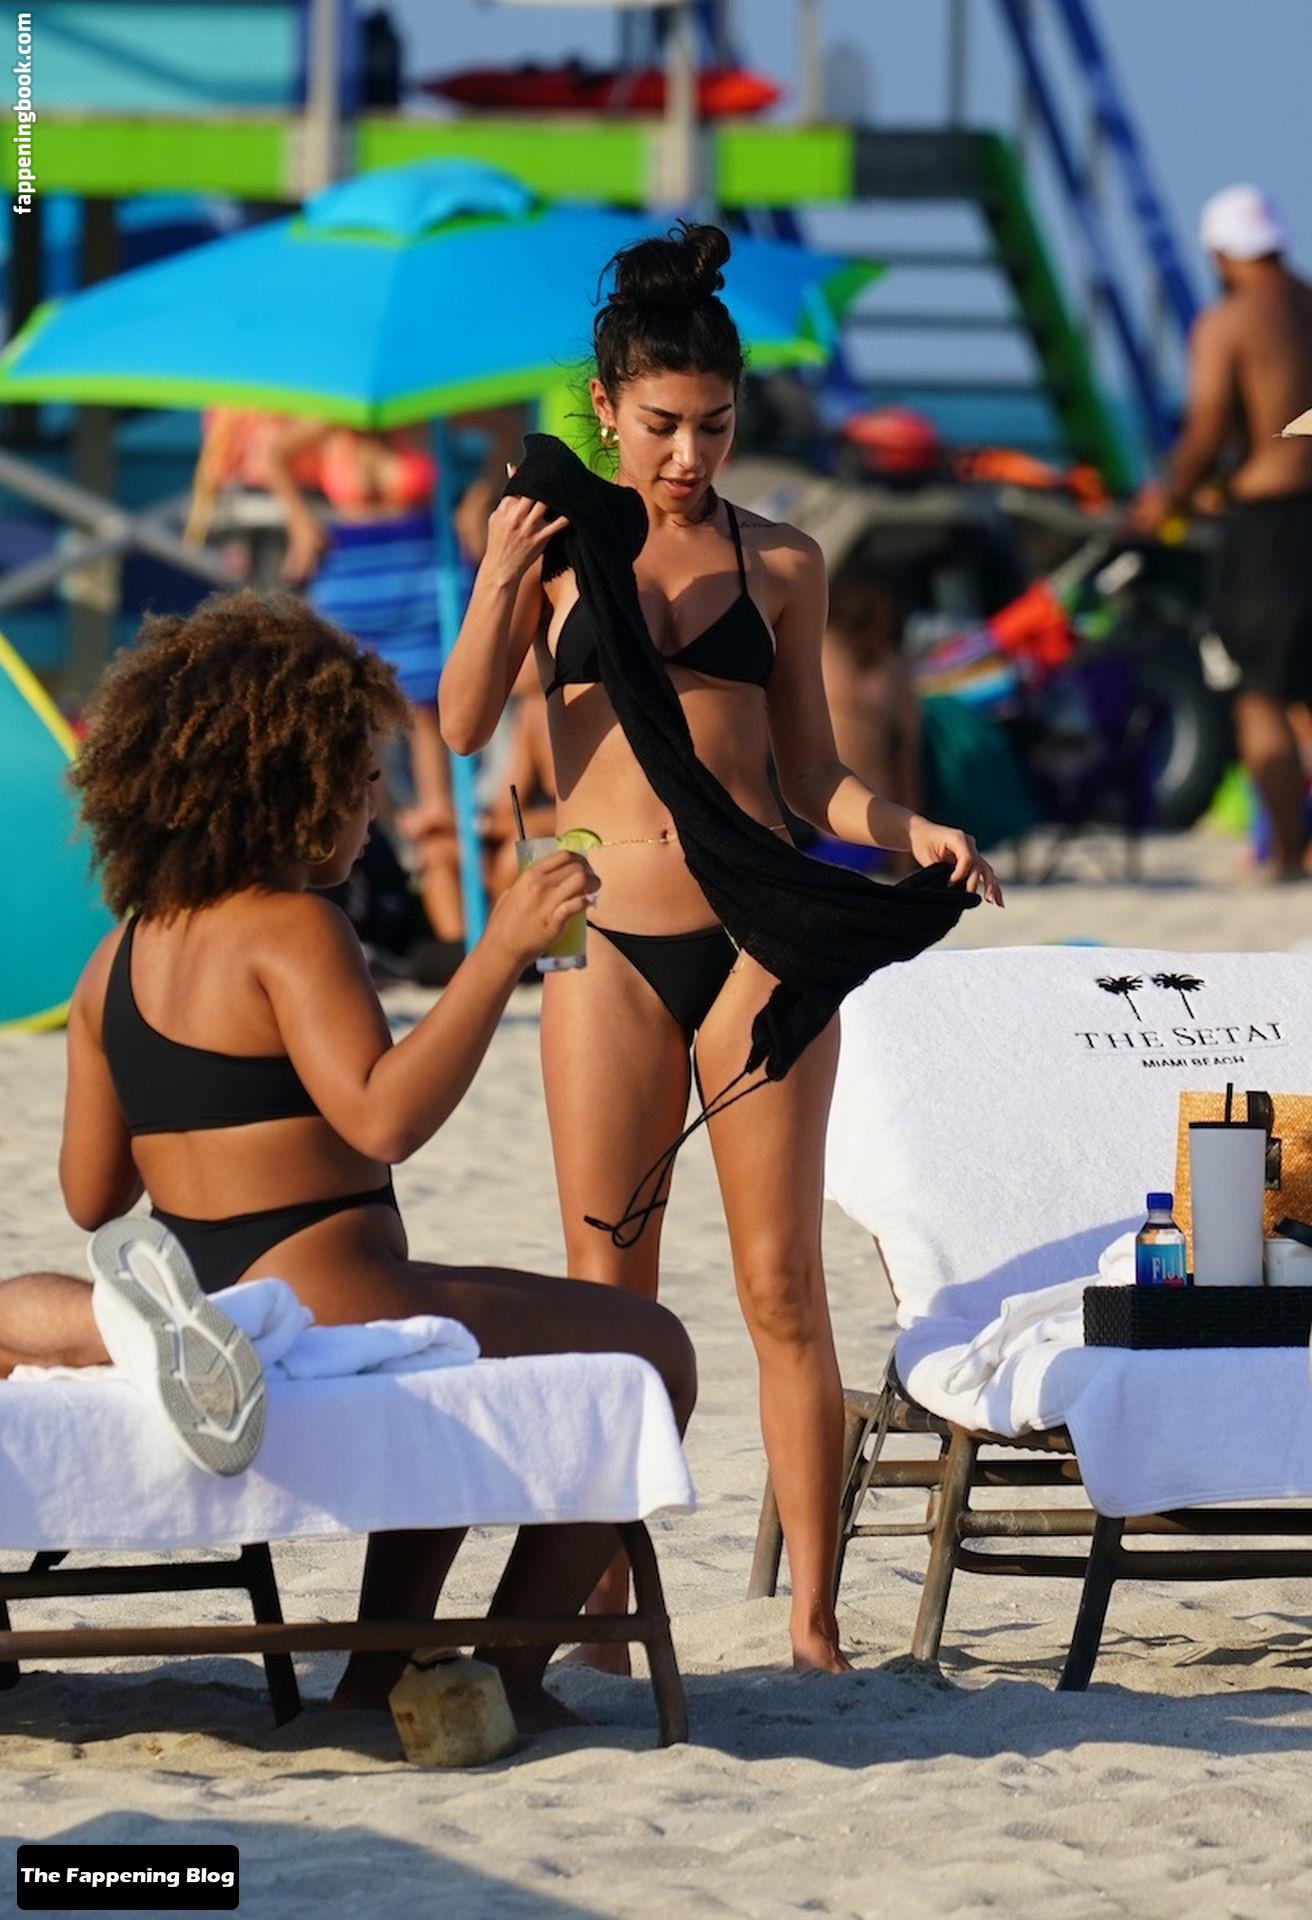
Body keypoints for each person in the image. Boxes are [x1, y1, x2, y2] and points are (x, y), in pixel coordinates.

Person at [440, 223, 1001, 1675]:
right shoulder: (555, 549)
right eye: (662, 424)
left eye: (716, 425)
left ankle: (813, 1625)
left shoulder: (781, 560)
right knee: (604, 1292)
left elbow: (811, 774)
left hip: (760, 934)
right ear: (605, 409)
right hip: (607, 945)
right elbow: (461, 723)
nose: (689, 454)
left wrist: (914, 829)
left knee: (779, 1285)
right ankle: (601, 1620)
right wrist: (501, 577)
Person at [0, 589, 695, 1728]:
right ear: (289, 785)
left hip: (206, 1295)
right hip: (328, 1293)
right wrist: (500, 952)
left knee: (442, 1338)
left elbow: (93, 1196)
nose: (375, 809)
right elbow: (383, 1119)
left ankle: (381, 1668)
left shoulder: (114, 958)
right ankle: (515, 1671)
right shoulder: (294, 926)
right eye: (362, 780)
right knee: (653, 1346)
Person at [263, 413, 518, 943]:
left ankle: (439, 830)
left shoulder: (428, 411)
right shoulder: (334, 417)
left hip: (423, 561)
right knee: (350, 710)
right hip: (353, 566)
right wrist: (299, 521)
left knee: (428, 707)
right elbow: (275, 457)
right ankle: (379, 844)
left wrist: (478, 502)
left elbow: (510, 427)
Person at [1132, 184, 1312, 880]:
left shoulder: (1229, 321)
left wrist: (1168, 500)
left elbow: (1206, 430)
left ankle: (1287, 856)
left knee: (1261, 691)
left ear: (1220, 253)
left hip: (1271, 520)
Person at [816, 558, 920, 877]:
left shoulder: (816, 649)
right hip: (868, 833)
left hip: (835, 835)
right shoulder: (895, 668)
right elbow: (905, 770)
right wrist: (906, 859)